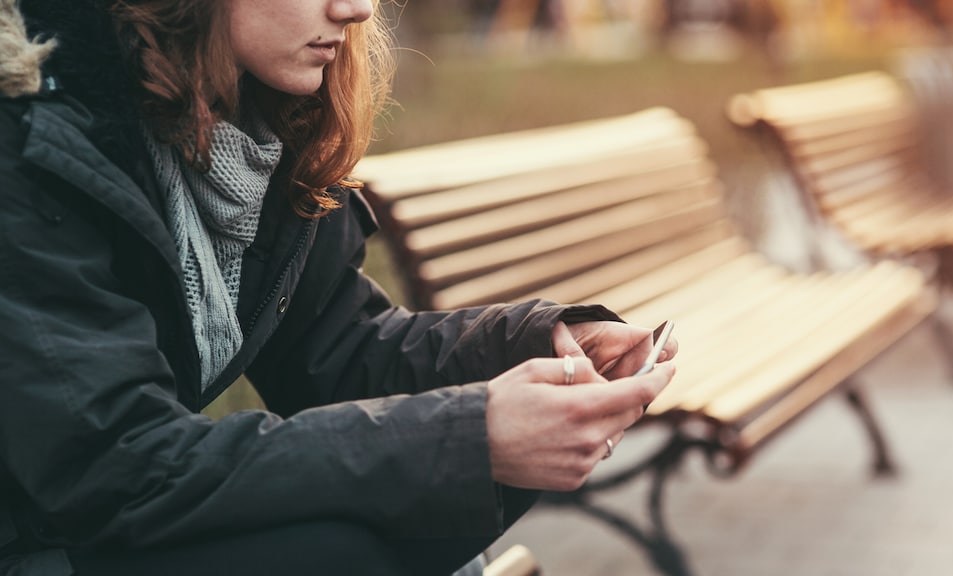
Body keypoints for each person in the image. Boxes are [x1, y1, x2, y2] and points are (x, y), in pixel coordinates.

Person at [0, 0, 678, 575]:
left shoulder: (252, 126)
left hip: (104, 517)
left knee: (416, 515)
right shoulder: (29, 137)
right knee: (351, 544)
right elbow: (117, 465)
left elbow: (340, 349)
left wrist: (537, 344)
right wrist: (471, 435)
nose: (354, 10)